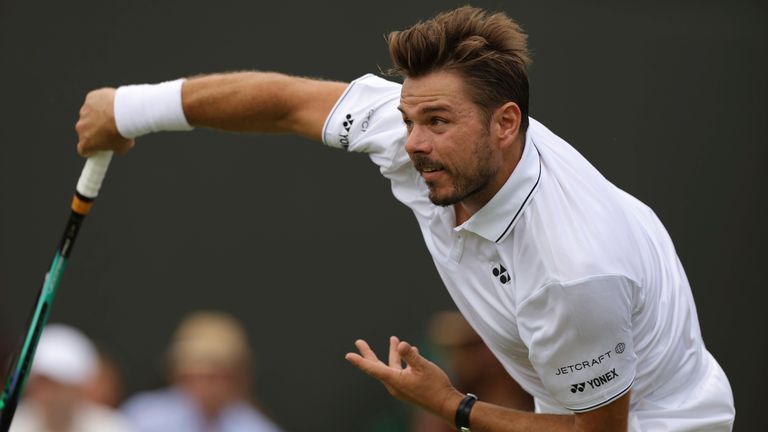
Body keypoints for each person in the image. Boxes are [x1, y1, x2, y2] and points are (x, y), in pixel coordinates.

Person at [74, 6, 735, 432]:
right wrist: (128, 109)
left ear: (507, 125)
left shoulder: (571, 270)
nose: (414, 142)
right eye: (411, 118)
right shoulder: (417, 132)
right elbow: (282, 103)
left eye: (438, 123)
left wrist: (453, 406)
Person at [121, 310, 282, 432]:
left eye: (214, 377)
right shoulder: (143, 416)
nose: (202, 387)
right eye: (192, 377)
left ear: (237, 379)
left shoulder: (255, 427)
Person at [412, 311, 534, 432]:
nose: (461, 358)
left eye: (472, 346)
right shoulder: (446, 401)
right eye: (452, 350)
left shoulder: (531, 386)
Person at [10, 324, 134, 432]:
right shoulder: (12, 424)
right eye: (40, 383)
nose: (45, 393)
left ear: (78, 388)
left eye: (56, 385)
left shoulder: (112, 427)